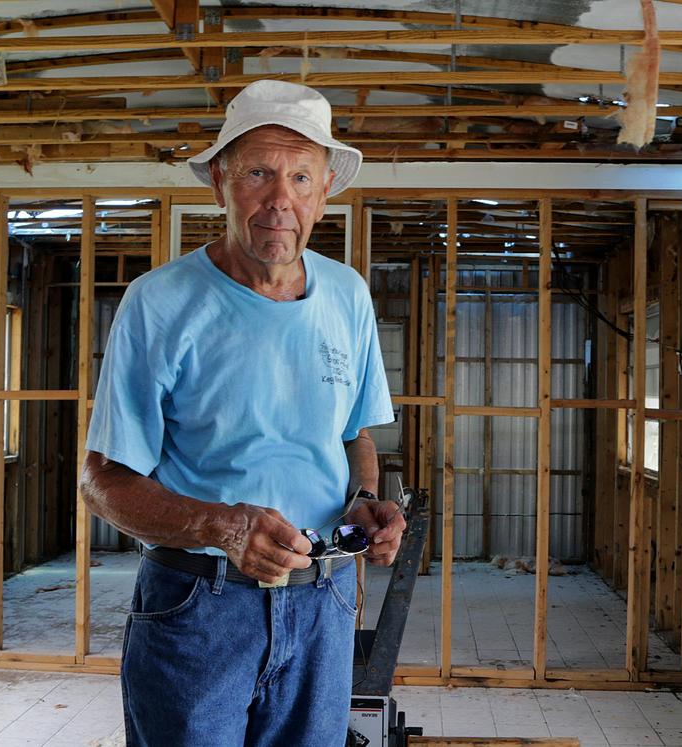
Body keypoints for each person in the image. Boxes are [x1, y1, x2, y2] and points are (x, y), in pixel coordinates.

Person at [80, 79, 407, 747]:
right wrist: (221, 525)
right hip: (198, 604)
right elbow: (101, 482)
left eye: (300, 176)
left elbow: (355, 433)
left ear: (322, 193)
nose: (280, 198)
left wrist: (365, 499)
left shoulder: (346, 295)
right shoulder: (159, 303)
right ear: (221, 183)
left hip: (325, 601)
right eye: (259, 172)